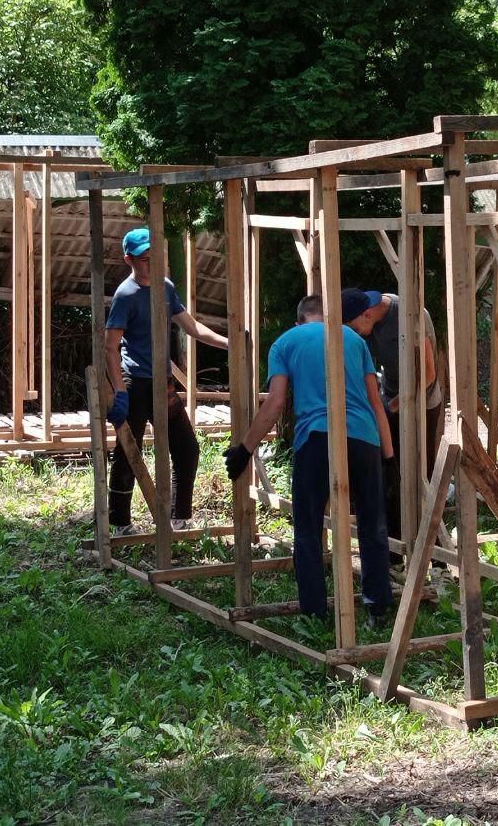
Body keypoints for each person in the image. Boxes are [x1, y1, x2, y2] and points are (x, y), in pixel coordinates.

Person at [224, 292, 394, 626]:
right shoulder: (353, 339)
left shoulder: (285, 343)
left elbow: (274, 405)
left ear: (299, 320)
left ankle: (315, 611)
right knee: (372, 524)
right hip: (364, 439)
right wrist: (388, 457)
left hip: (316, 437)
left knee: (308, 526)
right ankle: (378, 607)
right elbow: (377, 403)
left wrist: (244, 449)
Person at [105, 227, 228, 536]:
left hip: (163, 382)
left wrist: (231, 343)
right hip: (135, 382)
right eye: (145, 259)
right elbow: (110, 346)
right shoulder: (126, 295)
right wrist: (119, 390)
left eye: (155, 257)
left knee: (187, 449)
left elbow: (194, 328)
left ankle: (180, 518)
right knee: (128, 454)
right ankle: (119, 523)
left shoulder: (166, 288)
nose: (151, 263)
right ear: (129, 260)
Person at [341, 288, 443, 547]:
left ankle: (432, 545)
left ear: (366, 314)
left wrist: (400, 403)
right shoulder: (369, 316)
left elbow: (429, 374)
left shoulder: (412, 315)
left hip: (423, 400)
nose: (355, 334)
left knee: (422, 470)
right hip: (393, 398)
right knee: (392, 469)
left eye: (354, 328)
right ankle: (396, 543)